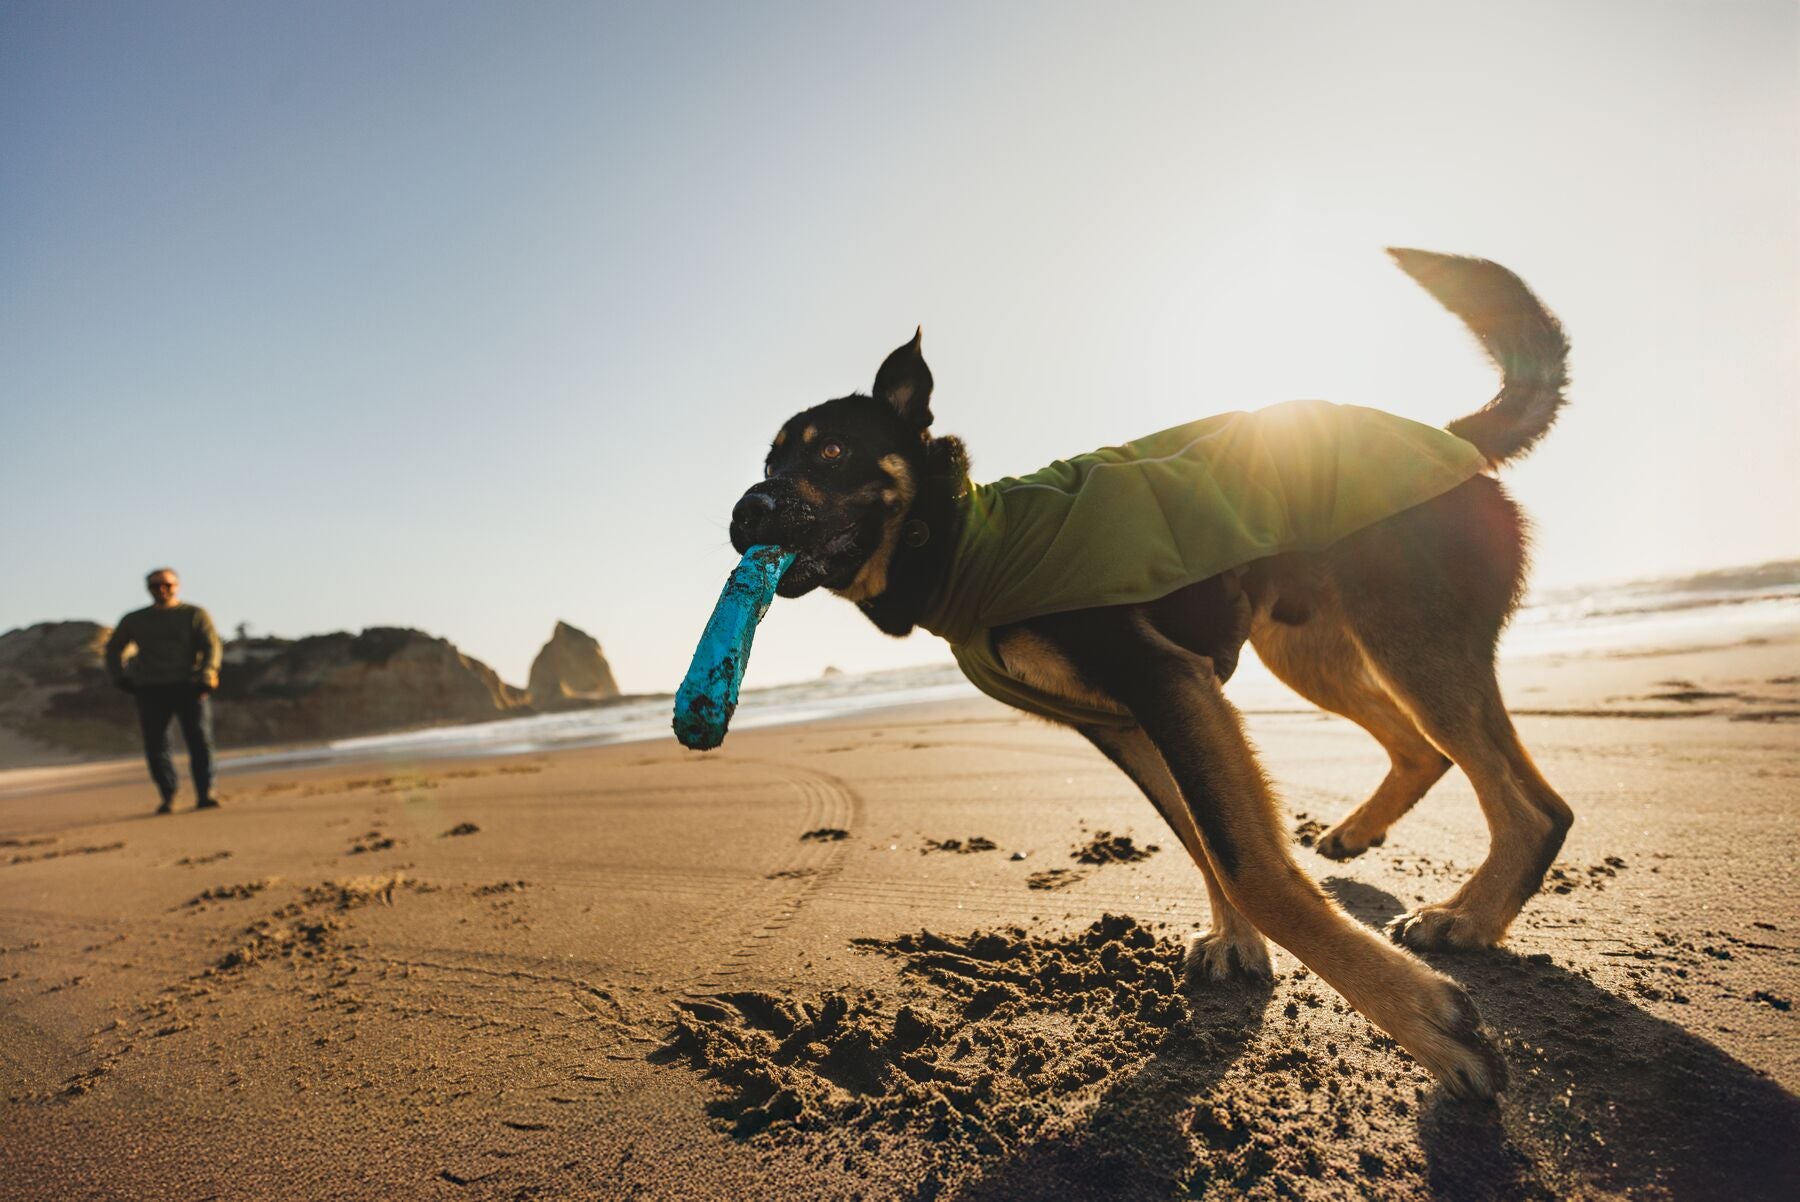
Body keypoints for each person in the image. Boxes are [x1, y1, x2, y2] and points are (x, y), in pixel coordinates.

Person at [105, 568, 224, 814]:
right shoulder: (134, 619)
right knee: (155, 744)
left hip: (189, 686)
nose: (161, 589)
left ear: (177, 586)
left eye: (166, 584)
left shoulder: (194, 614)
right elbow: (113, 648)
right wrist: (120, 677)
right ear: (148, 588)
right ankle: (169, 794)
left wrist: (207, 674)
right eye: (155, 585)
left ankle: (205, 793)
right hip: (150, 688)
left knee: (200, 740)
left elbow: (211, 645)